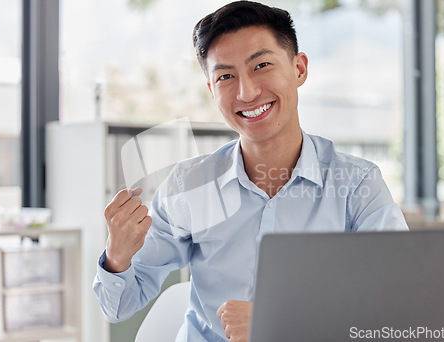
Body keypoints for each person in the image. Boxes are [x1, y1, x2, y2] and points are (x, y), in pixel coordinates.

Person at [93, 1, 409, 341]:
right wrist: (118, 256)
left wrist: (282, 322)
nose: (247, 92)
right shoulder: (190, 186)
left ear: (299, 69)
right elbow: (119, 306)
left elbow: (399, 302)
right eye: (226, 76)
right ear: (212, 90)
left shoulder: (356, 184)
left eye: (261, 65)